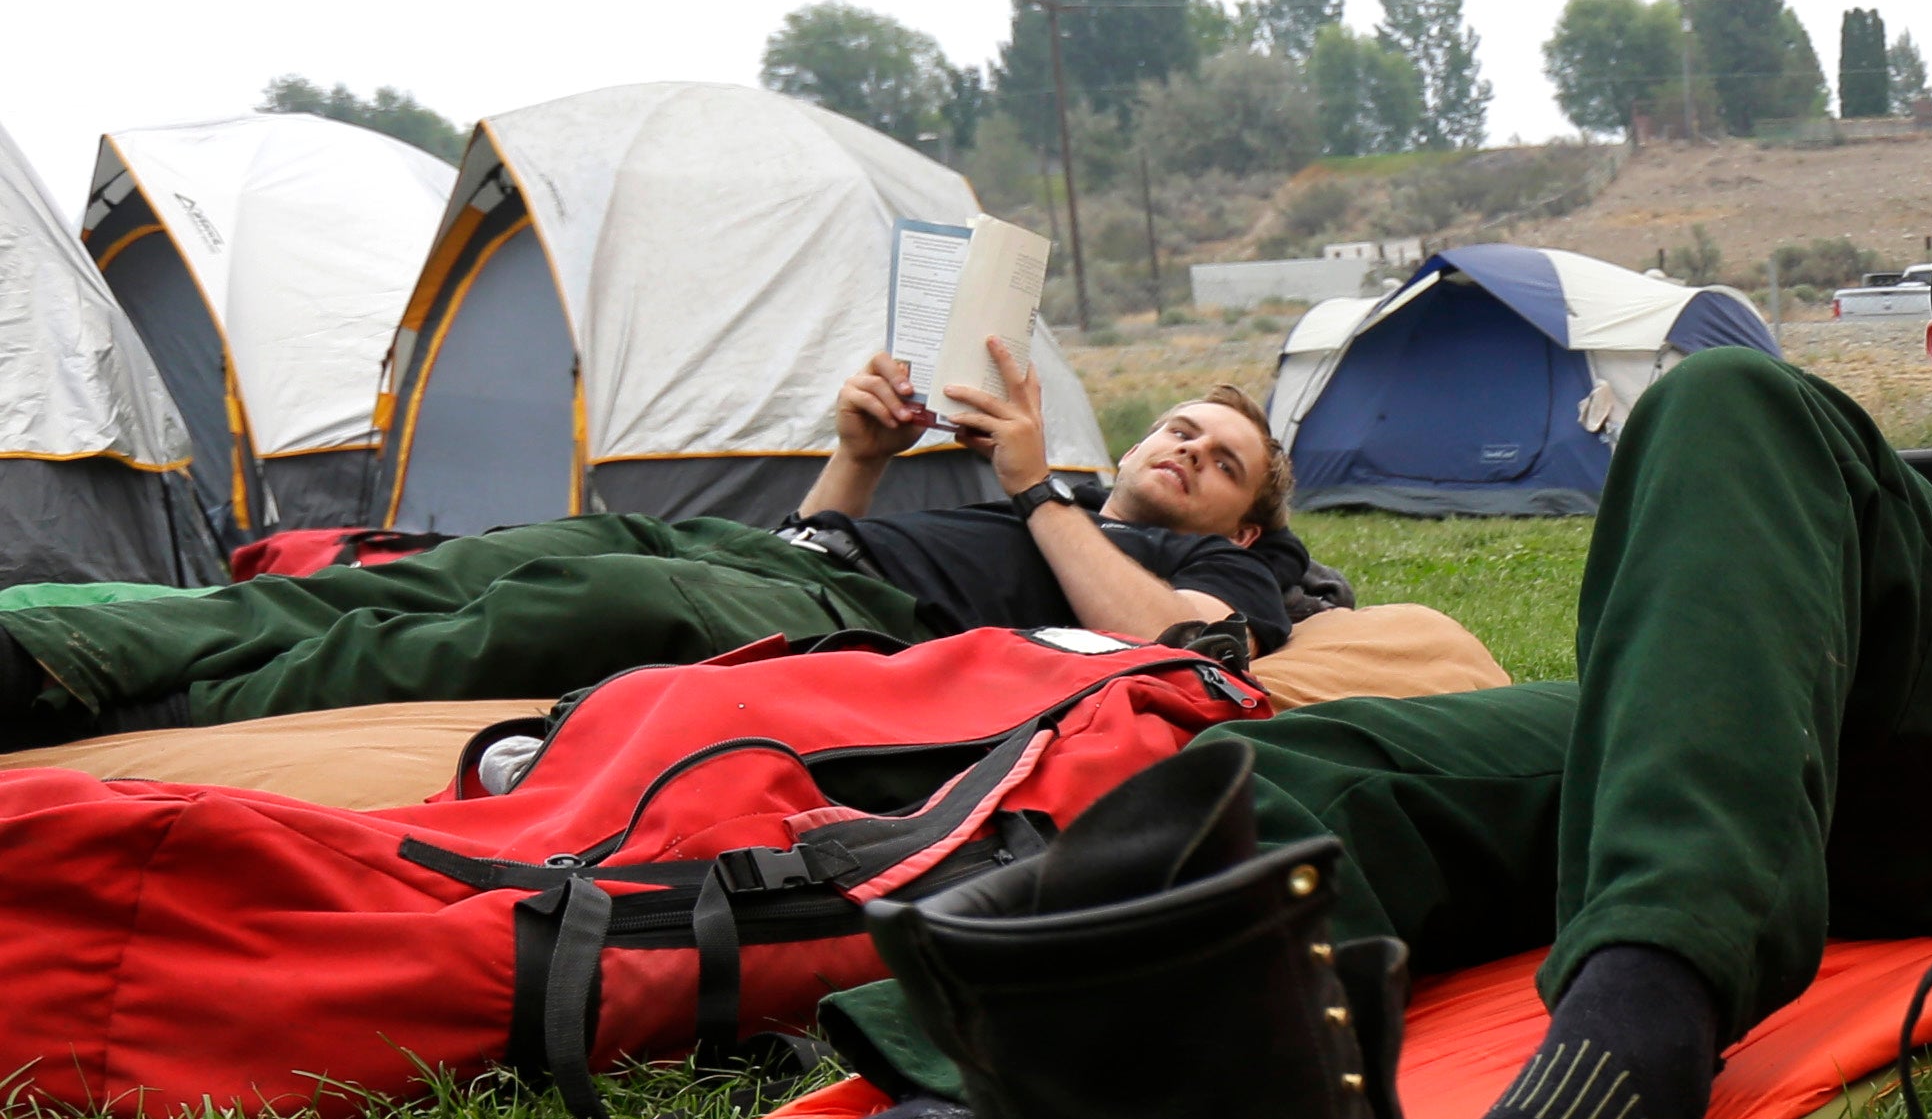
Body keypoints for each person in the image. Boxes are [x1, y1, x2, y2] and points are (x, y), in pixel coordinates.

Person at [496, 154, 1932, 1119]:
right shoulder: (1868, 487)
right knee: (1337, 763)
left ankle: (1623, 1061)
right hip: (1769, 701)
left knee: (1726, 409)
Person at [0, 350, 1302, 752]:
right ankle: (56, 643)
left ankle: (139, 696)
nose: (1183, 449)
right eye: (1177, 429)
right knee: (429, 575)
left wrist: (1033, 491)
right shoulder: (1066, 493)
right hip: (746, 550)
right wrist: (855, 450)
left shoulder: (1231, 573)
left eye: (1218, 460)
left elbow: (1168, 641)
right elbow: (819, 528)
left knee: (547, 608)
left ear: (1244, 520)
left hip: (828, 617)